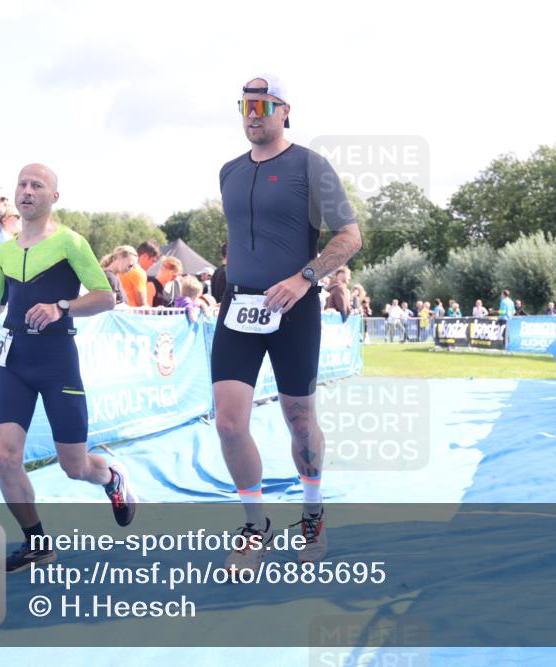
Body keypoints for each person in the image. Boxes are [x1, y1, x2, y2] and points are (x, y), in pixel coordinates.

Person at [0, 164, 136, 572]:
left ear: (53, 197)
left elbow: (104, 297)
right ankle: (37, 543)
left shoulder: (70, 242)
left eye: (37, 185)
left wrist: (62, 306)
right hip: (14, 361)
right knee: (5, 455)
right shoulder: (6, 250)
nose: (27, 191)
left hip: (56, 362)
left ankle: (112, 478)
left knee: (74, 467)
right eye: (23, 184)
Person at [213, 74, 362, 575]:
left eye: (262, 104)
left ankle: (313, 511)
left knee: (299, 421)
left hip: (293, 307)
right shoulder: (228, 171)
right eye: (244, 105)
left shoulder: (309, 165)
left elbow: (350, 235)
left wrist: (304, 278)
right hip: (239, 310)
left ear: (284, 110)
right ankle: (256, 526)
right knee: (229, 421)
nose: (252, 113)